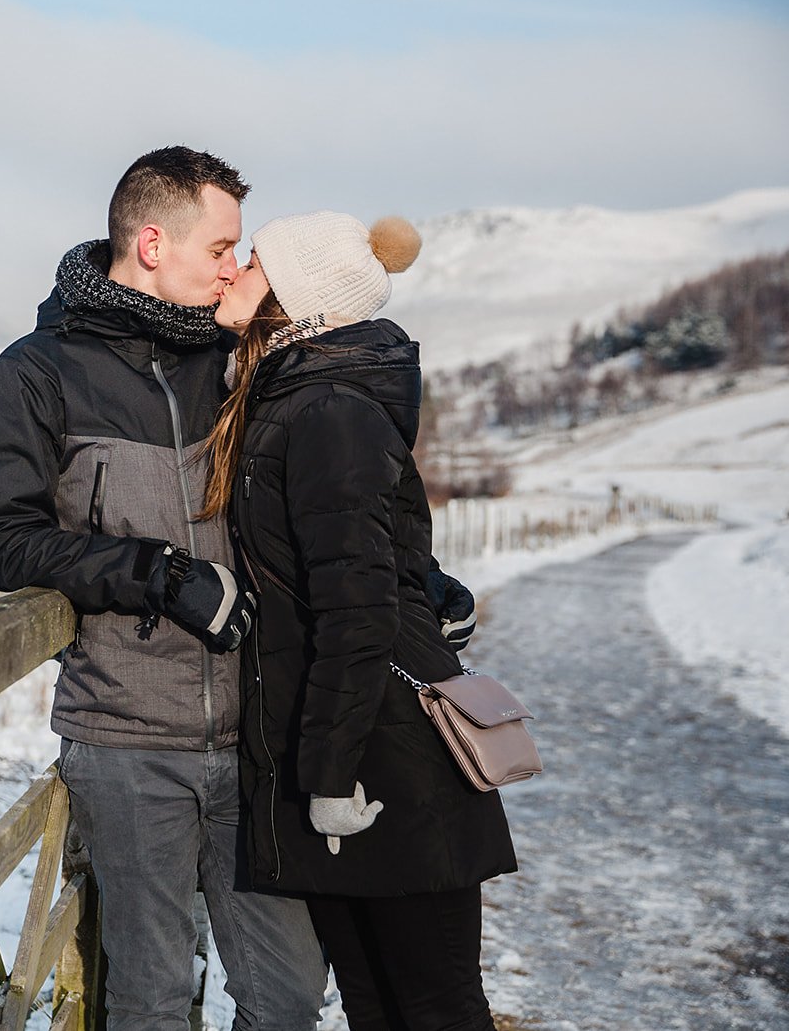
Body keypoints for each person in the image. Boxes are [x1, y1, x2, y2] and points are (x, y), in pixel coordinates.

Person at [0, 147, 328, 1030]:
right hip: (126, 741)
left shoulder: (236, 359)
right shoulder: (36, 371)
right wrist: (156, 576)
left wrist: (412, 573)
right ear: (156, 243)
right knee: (153, 1002)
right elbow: (4, 542)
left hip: (253, 739)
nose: (236, 268)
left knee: (287, 998)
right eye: (223, 248)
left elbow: (320, 485)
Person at [202, 211, 517, 1031]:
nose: (234, 270)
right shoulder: (290, 397)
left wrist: (332, 775)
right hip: (343, 754)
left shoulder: (326, 412)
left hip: (387, 767)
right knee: (379, 1005)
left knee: (436, 1006)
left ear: (299, 300)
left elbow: (359, 609)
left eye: (256, 262)